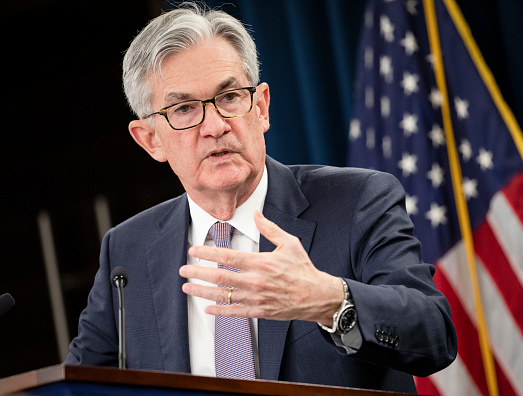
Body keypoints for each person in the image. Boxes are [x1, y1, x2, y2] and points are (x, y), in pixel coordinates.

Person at [65, 4, 456, 393]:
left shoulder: (357, 201)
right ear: (150, 140)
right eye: (183, 109)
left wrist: (328, 301)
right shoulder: (127, 252)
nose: (216, 126)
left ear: (261, 107)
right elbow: (78, 385)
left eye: (230, 96)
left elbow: (434, 335)